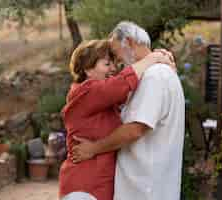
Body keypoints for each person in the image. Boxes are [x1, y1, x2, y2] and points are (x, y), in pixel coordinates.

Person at [71, 21, 185, 200]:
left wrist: (94, 148)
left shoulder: (154, 77)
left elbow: (135, 129)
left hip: (145, 188)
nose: (117, 64)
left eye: (116, 55)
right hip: (147, 186)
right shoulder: (154, 75)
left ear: (130, 43)